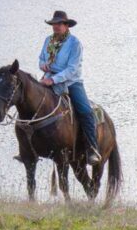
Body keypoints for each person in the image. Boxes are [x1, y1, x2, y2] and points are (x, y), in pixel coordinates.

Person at [38, 10, 101, 166]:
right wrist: (43, 66)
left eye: (59, 24)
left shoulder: (75, 44)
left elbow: (72, 69)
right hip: (48, 79)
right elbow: (41, 59)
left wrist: (53, 80)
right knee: (31, 102)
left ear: (66, 25)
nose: (56, 27)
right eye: (54, 24)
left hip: (71, 82)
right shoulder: (48, 41)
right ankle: (28, 148)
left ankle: (92, 149)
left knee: (86, 112)